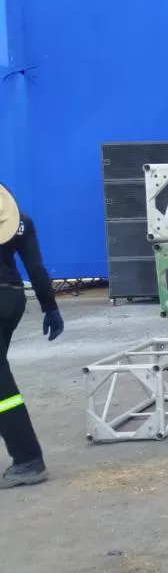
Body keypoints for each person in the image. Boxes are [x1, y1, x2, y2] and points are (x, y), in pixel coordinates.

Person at [0, 183, 64, 489]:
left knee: (2, 388)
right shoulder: (20, 220)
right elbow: (35, 268)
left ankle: (28, 460)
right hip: (11, 299)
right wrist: (50, 307)